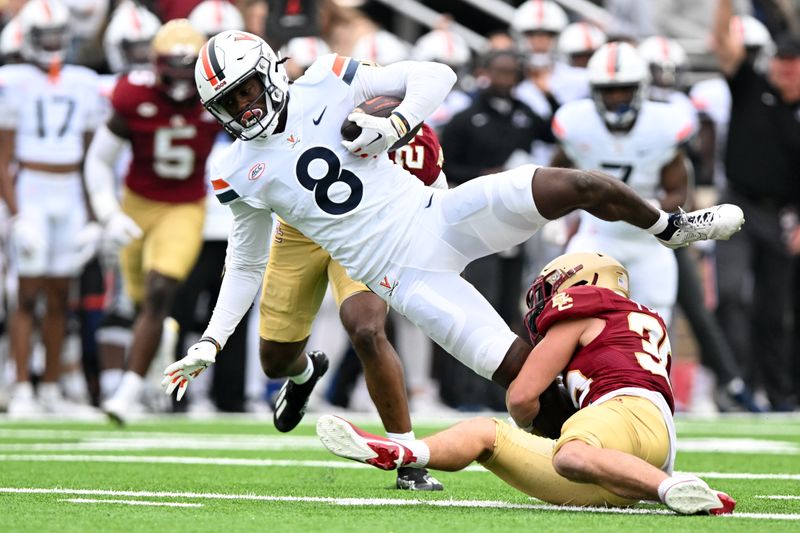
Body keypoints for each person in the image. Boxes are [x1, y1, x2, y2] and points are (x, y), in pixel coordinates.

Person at [161, 30, 744, 435]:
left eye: (245, 90)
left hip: (440, 215)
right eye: (227, 102)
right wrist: (211, 341)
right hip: (405, 275)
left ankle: (668, 227)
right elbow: (243, 263)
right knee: (524, 381)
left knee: (579, 184)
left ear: (268, 72)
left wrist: (394, 123)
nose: (241, 107)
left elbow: (437, 75)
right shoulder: (236, 170)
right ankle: (594, 446)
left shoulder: (327, 77)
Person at [316, 252, 737, 516]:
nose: (544, 301)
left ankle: (671, 489)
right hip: (635, 450)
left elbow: (520, 396)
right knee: (487, 435)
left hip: (622, 414)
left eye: (552, 289)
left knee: (568, 454)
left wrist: (540, 424)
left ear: (582, 284)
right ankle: (403, 452)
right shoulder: (639, 317)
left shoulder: (584, 310)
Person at [84, 19, 220, 422]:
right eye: (172, 67)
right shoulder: (132, 94)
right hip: (137, 203)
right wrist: (109, 213)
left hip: (184, 206)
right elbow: (98, 160)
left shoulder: (216, 97)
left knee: (161, 290)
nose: (180, 78)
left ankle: (125, 393)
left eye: (188, 67)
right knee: (140, 302)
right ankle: (156, 347)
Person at [0, 0, 103, 416]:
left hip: (71, 193)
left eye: (59, 35)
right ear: (29, 39)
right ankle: (23, 385)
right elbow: (3, 155)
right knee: (26, 295)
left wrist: (95, 215)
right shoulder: (13, 80)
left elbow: (91, 156)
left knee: (63, 296)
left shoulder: (83, 81)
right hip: (33, 190)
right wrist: (16, 212)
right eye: (47, 36)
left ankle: (52, 387)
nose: (55, 43)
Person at [556, 41, 694, 324]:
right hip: (597, 233)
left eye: (624, 89)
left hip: (650, 238)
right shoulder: (575, 122)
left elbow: (680, 193)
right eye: (609, 90)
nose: (617, 97)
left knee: (652, 327)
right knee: (577, 318)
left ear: (640, 88)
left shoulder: (664, 125)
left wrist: (650, 208)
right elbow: (555, 175)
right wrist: (555, 219)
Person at [711, 0, 799, 410]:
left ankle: (779, 396)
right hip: (737, 205)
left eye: (792, 64)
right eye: (780, 63)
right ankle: (734, 387)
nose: (784, 70)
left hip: (782, 215)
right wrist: (725, 4)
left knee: (775, 310)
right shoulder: (752, 85)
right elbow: (723, 44)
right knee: (730, 294)